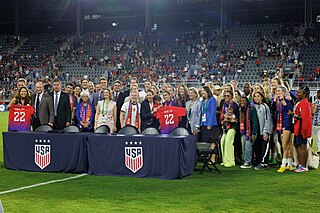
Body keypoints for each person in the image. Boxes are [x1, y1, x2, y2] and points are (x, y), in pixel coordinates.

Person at [274, 86, 294, 173]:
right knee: (288, 145)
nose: (277, 92)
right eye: (276, 91)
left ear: (284, 92)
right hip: (283, 123)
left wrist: (283, 100)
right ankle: (289, 164)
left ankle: (283, 165)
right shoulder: (278, 102)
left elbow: (289, 111)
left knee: (284, 145)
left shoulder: (287, 100)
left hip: (287, 123)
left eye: (279, 91)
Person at [293, 86, 312, 172]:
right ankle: (300, 164)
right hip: (298, 127)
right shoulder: (300, 102)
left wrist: (294, 115)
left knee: (302, 146)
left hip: (301, 128)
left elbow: (304, 117)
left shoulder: (304, 103)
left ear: (304, 94)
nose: (297, 93)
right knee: (297, 145)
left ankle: (303, 166)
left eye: (299, 92)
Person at [252, 91, 273, 170]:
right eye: (255, 96)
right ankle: (259, 161)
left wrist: (266, 132)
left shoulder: (265, 106)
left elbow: (268, 119)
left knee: (265, 147)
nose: (256, 98)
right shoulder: (254, 106)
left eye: (258, 96)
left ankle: (263, 163)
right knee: (259, 147)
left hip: (265, 131)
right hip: (259, 131)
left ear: (262, 97)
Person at [220, 90, 239, 167]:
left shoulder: (235, 105)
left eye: (228, 96)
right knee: (222, 141)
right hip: (225, 126)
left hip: (233, 126)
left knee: (228, 141)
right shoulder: (223, 104)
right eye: (225, 96)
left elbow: (237, 118)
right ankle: (224, 160)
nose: (226, 97)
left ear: (231, 96)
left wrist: (228, 119)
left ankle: (230, 161)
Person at [312, 90, 320, 155]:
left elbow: (313, 111)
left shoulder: (317, 101)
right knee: (318, 138)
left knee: (309, 137)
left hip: (315, 122)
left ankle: (309, 149)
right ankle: (319, 151)